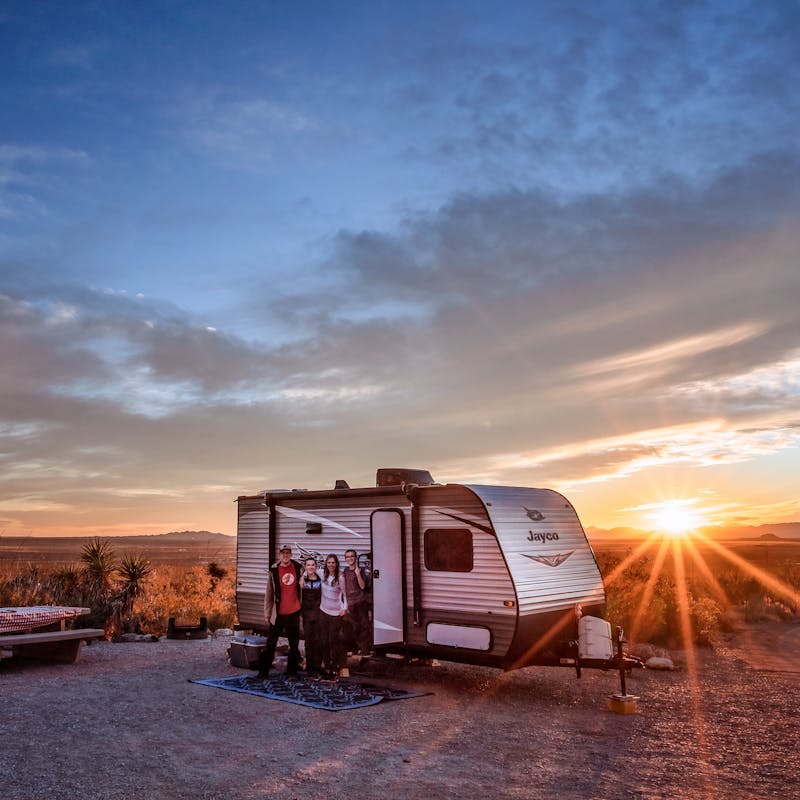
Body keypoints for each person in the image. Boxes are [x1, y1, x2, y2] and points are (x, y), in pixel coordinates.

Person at [257, 544, 302, 678]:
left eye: (288, 553)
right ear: (279, 555)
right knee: (271, 642)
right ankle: (263, 671)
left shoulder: (299, 568)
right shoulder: (274, 570)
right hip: (278, 613)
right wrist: (267, 613)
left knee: (294, 644)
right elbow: (269, 593)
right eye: (283, 553)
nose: (285, 555)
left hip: (294, 611)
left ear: (291, 555)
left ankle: (292, 671)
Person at [319, 553, 348, 678]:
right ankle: (326, 665)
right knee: (324, 641)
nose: (331, 565)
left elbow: (345, 594)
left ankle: (335, 665)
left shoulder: (340, 578)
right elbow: (307, 571)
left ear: (336, 564)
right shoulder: (321, 573)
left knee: (333, 640)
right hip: (323, 611)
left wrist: (344, 608)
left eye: (333, 563)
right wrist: (303, 577)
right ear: (326, 564)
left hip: (336, 613)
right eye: (329, 562)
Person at [342, 548, 372, 656]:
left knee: (363, 625)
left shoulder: (361, 570)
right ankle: (354, 648)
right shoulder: (345, 571)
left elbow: (363, 586)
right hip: (350, 603)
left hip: (360, 601)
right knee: (352, 626)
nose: (350, 558)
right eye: (348, 557)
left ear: (356, 558)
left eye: (352, 556)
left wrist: (358, 574)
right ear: (345, 559)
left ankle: (365, 649)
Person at [299, 556, 323, 676]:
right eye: (308, 565)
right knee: (308, 641)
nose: (311, 567)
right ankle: (310, 668)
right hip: (307, 614)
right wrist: (302, 576)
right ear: (305, 567)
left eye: (313, 565)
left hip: (318, 614)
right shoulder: (302, 581)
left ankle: (318, 666)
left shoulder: (320, 579)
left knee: (318, 641)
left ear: (316, 566)